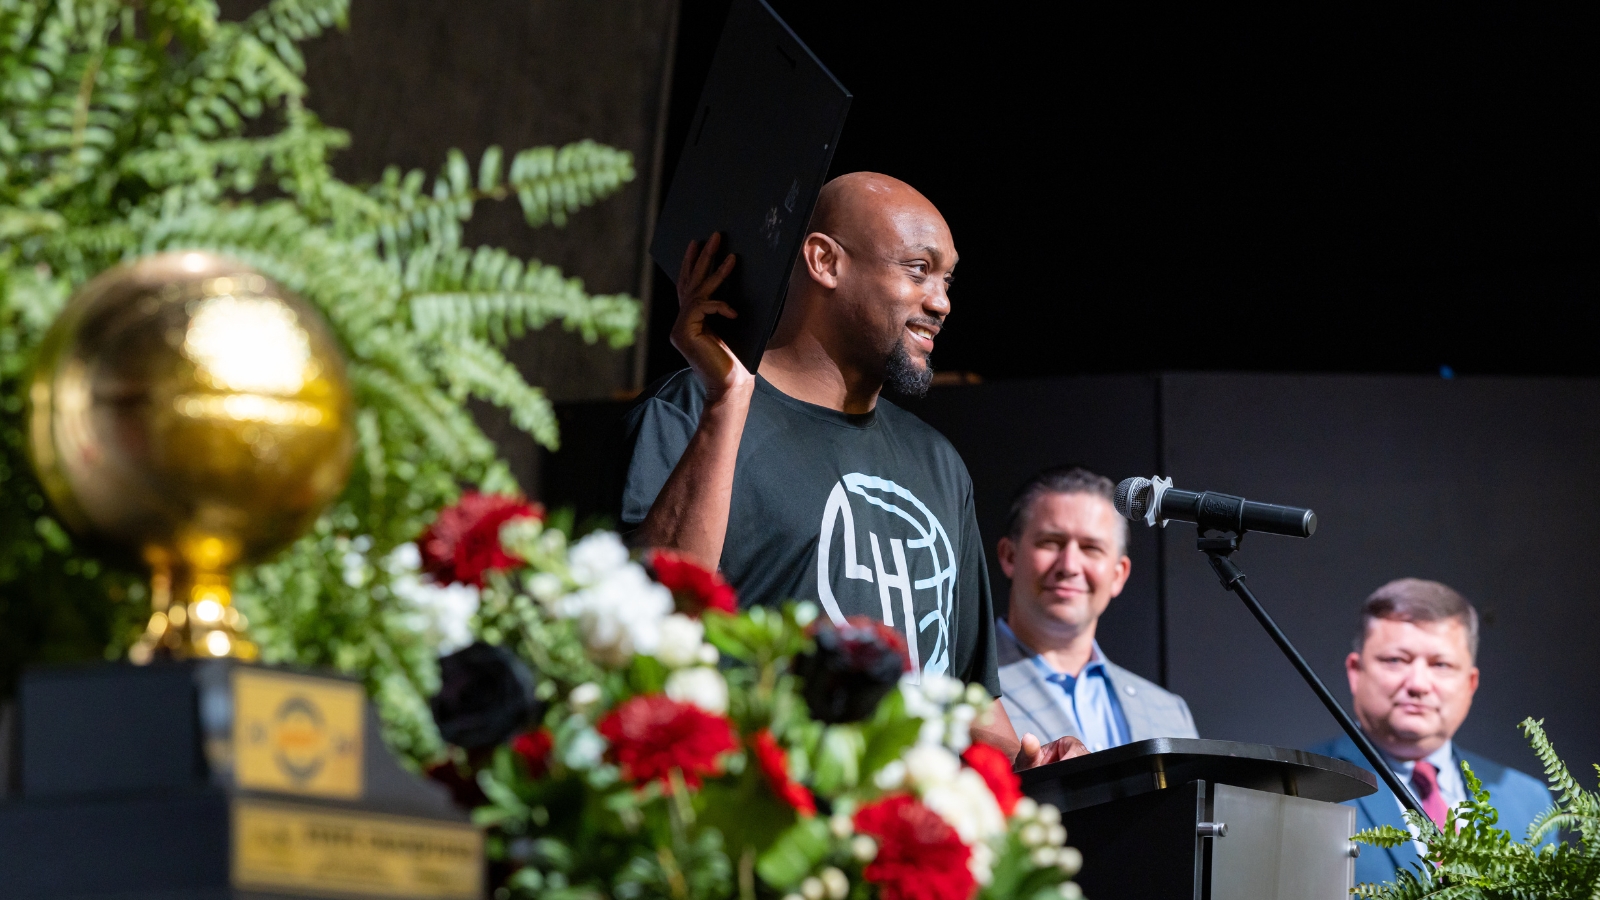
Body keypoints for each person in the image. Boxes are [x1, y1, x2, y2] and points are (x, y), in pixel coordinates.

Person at [621, 172, 1084, 767]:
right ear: (824, 261)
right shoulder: (691, 409)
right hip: (758, 819)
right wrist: (733, 393)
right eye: (918, 270)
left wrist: (1027, 760)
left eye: (946, 280)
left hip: (895, 838)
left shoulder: (938, 462)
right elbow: (660, 619)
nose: (941, 302)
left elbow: (965, 695)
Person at [1309, 578, 1551, 886]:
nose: (1418, 684)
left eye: (1441, 665)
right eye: (1396, 660)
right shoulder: (1299, 787)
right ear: (1356, 672)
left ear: (1470, 684)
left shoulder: (1528, 802)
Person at [994, 467, 1198, 752]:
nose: (1069, 566)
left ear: (1118, 574)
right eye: (1051, 543)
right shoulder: (960, 685)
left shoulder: (1169, 713)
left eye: (1091, 548)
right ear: (1009, 556)